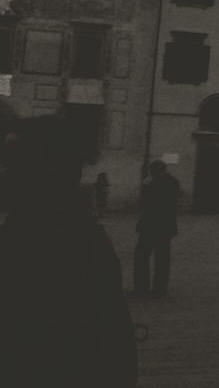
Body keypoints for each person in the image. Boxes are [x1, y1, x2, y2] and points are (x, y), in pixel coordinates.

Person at [0, 115, 138, 386]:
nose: (4, 174)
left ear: (44, 174)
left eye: (13, 165)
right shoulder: (77, 233)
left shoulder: (62, 242)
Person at [134, 159, 180, 295]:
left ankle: (141, 288)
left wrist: (146, 186)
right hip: (166, 226)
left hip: (151, 226)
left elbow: (148, 204)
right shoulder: (174, 182)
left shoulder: (153, 183)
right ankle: (160, 288)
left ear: (154, 171)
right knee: (162, 258)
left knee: (141, 256)